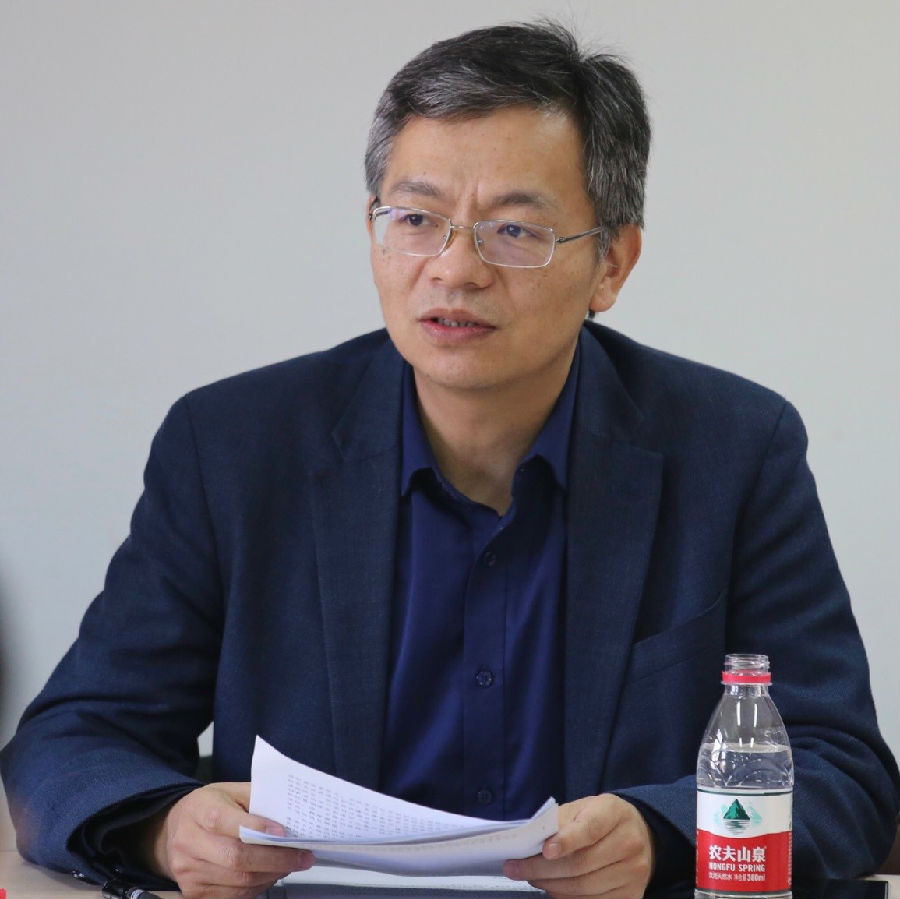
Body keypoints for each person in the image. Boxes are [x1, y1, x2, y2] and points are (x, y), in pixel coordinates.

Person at [2, 20, 898, 899]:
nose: (453, 269)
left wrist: (664, 833)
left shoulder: (732, 450)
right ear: (372, 229)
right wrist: (165, 828)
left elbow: (846, 772)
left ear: (612, 264)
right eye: (417, 219)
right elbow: (72, 741)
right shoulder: (234, 447)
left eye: (514, 231)